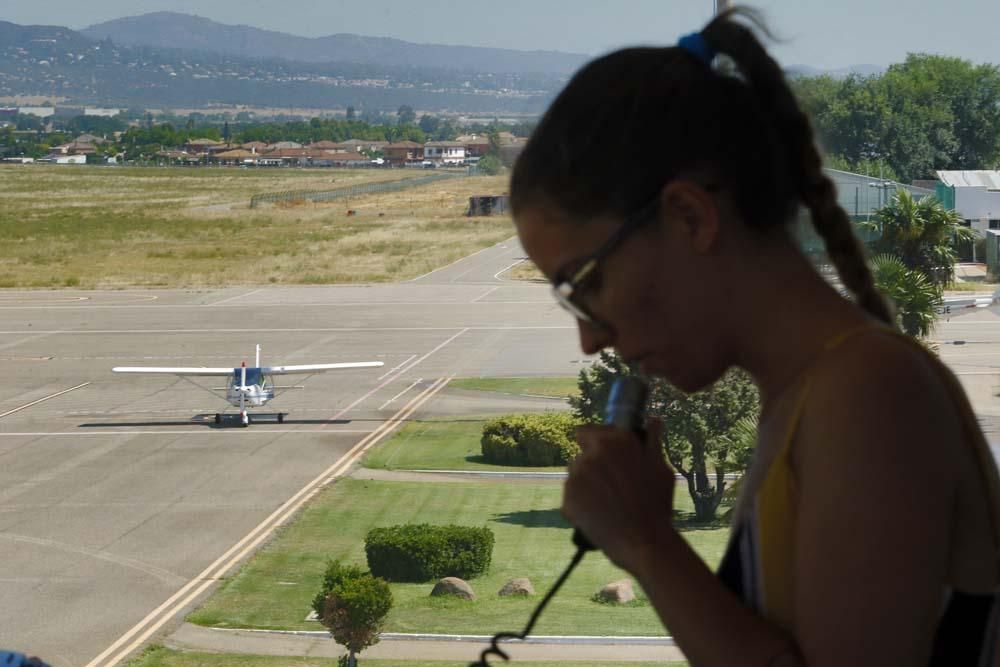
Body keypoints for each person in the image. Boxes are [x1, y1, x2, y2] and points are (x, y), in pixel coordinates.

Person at [510, 7, 1000, 666]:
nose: (589, 341)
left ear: (689, 216)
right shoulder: (810, 396)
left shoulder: (866, 393)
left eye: (586, 284)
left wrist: (648, 543)